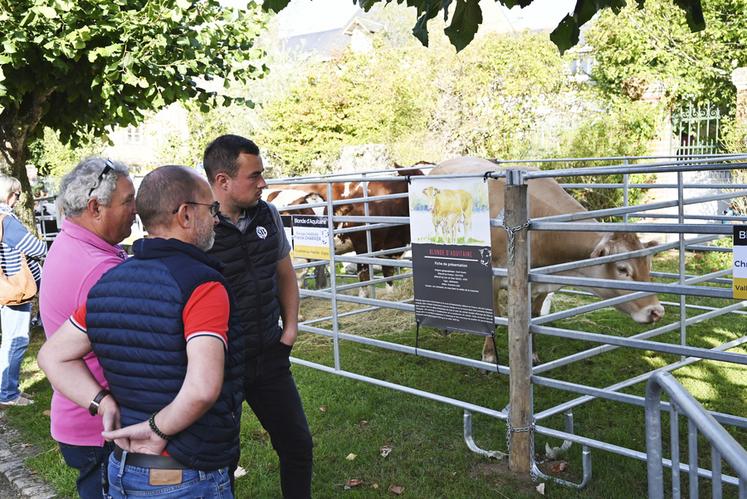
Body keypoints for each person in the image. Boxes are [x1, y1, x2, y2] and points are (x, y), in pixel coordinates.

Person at [38, 165, 244, 498]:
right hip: (185, 468)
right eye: (212, 208)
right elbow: (204, 388)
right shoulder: (202, 285)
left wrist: (104, 405)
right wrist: (155, 428)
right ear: (186, 215)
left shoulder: (108, 282)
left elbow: (51, 356)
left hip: (125, 466)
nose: (217, 219)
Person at [203, 135, 313, 498]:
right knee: (221, 457)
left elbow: (284, 273)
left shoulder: (267, 214)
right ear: (223, 181)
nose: (263, 183)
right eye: (254, 176)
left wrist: (290, 330)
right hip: (220, 364)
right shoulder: (198, 226)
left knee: (297, 443)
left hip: (269, 352)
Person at [38, 158, 135, 498]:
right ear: (95, 207)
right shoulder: (99, 269)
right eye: (128, 201)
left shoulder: (70, 243)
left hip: (80, 417)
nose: (136, 211)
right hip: (102, 428)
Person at [0, 175, 46, 407]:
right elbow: (34, 246)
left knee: (9, 341)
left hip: (6, 287)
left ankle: (9, 390)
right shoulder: (6, 220)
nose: (18, 199)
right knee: (16, 340)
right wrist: (46, 247)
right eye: (17, 194)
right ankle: (7, 394)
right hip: (15, 289)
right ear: (8, 194)